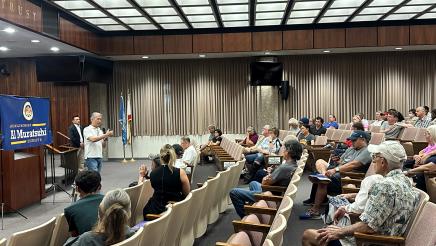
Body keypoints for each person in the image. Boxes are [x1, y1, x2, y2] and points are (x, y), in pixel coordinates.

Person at [302, 141, 419, 246]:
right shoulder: (407, 181)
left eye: (375, 157)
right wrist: (347, 211)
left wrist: (340, 232)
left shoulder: (384, 186)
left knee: (308, 235)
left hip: (372, 241)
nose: (373, 161)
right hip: (387, 237)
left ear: (383, 162)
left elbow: (368, 227)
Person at [301, 131, 372, 219]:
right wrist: (337, 161)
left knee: (323, 181)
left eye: (354, 140)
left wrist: (335, 169)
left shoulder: (367, 150)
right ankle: (323, 176)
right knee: (320, 162)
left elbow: (353, 164)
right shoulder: (351, 149)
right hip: (338, 171)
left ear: (363, 140)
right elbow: (342, 161)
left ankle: (315, 211)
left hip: (349, 176)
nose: (352, 142)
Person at [230, 139, 303, 218]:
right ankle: (255, 208)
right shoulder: (293, 165)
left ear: (288, 152)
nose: (283, 151)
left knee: (234, 192)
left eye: (284, 149)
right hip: (274, 189)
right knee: (253, 183)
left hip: (271, 195)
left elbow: (264, 182)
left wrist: (267, 176)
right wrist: (271, 173)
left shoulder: (284, 168)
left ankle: (245, 216)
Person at [142, 144, 190, 217]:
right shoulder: (180, 172)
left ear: (161, 158)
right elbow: (186, 194)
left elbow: (156, 186)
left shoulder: (153, 173)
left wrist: (145, 176)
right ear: (173, 156)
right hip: (175, 209)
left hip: (154, 210)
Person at [65, 170, 103, 237]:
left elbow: (75, 236)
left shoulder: (70, 209)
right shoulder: (112, 201)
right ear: (99, 187)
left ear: (77, 189)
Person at [404, 125, 436, 191]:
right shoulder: (430, 145)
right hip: (421, 170)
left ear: (432, 135)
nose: (424, 135)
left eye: (426, 133)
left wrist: (410, 171)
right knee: (404, 162)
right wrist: (418, 156)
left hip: (426, 174)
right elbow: (422, 152)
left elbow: (429, 166)